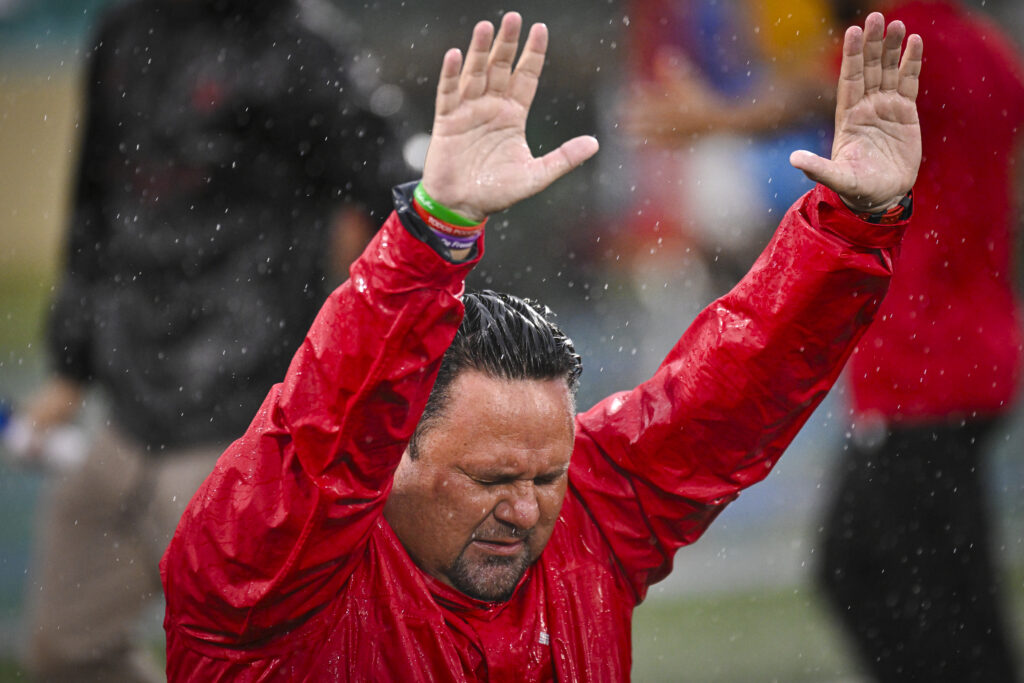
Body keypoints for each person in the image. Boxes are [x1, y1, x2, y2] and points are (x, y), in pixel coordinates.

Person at [161, 11, 922, 680]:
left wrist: (857, 224)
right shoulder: (265, 584)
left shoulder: (588, 522)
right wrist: (433, 233)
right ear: (390, 454)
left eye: (547, 474)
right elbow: (323, 426)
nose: (525, 508)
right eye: (491, 477)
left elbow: (733, 386)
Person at [16, 0, 409, 680]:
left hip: (243, 424)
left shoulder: (303, 48)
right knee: (61, 649)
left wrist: (360, 360)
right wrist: (69, 370)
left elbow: (399, 197)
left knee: (247, 664)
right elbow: (94, 208)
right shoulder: (123, 30)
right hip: (123, 412)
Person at [816, 1, 1024, 680]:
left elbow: (830, 91)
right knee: (942, 589)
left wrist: (716, 119)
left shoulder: (907, 39)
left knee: (884, 581)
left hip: (922, 367)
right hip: (968, 351)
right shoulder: (986, 49)